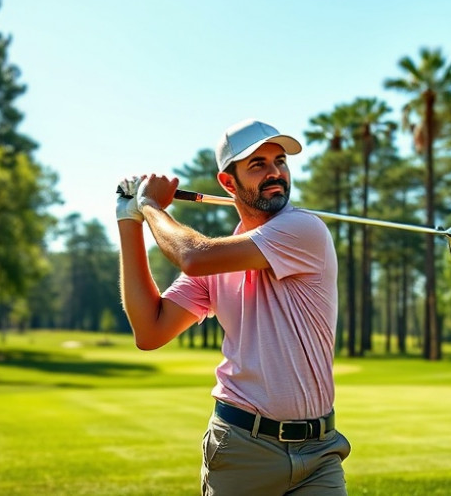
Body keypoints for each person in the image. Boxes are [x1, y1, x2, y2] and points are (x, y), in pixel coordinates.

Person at [116, 118, 349, 495]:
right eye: (258, 165)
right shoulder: (220, 260)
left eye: (280, 162)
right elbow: (150, 330)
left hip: (319, 451)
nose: (275, 173)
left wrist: (151, 207)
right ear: (228, 183)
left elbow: (191, 254)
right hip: (242, 448)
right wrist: (130, 221)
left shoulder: (303, 229)